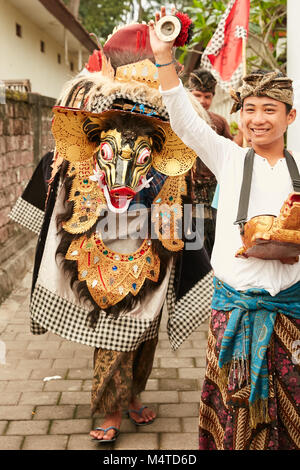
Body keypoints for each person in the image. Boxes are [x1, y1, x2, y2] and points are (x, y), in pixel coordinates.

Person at [10, 21, 213, 445]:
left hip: (157, 239)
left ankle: (134, 394)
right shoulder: (85, 137)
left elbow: (191, 192)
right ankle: (109, 407)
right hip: (102, 240)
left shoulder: (176, 134)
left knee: (147, 328)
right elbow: (59, 181)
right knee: (113, 330)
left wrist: (188, 235)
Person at [149, 7, 300, 450]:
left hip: (290, 314)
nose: (257, 119)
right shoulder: (229, 159)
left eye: (269, 110)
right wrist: (164, 58)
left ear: (290, 117)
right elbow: (183, 120)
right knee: (231, 413)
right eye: (249, 109)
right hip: (231, 311)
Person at [188, 68, 234, 257]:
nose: (202, 101)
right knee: (192, 242)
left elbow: (229, 155)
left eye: (207, 96)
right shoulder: (179, 121)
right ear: (189, 94)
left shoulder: (220, 123)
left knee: (216, 237)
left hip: (214, 191)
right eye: (197, 95)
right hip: (188, 191)